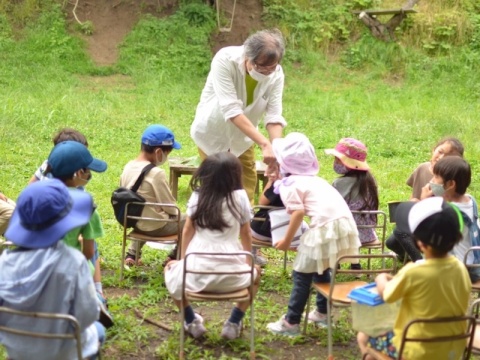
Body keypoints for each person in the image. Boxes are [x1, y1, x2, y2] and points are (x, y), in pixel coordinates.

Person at [266, 133, 360, 336]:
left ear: (284, 164)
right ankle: (322, 313)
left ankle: (291, 323)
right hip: (343, 226)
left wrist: (286, 241)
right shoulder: (315, 180)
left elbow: (298, 213)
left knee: (301, 275)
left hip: (326, 228)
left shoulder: (290, 185)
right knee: (321, 268)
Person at [0, 180, 105, 360]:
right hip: (64, 352)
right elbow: (87, 315)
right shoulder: (73, 261)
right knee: (99, 330)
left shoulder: (4, 262)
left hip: (19, 352)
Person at [357, 197, 471, 359]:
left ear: (419, 244)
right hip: (452, 349)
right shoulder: (460, 268)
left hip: (417, 350)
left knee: (363, 337)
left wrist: (381, 278)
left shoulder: (413, 272)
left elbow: (386, 294)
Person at [164, 152, 261, 340]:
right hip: (232, 273)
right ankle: (234, 322)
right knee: (256, 275)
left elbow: (187, 230)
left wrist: (182, 261)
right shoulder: (240, 197)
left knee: (169, 271)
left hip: (196, 272)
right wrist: (249, 263)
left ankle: (191, 321)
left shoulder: (198, 196)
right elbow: (246, 233)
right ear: (235, 175)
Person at [190, 28, 287, 203]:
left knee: (245, 185)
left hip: (244, 137)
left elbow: (274, 115)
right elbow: (231, 110)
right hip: (213, 132)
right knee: (214, 187)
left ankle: (245, 226)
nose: (266, 73)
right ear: (247, 57)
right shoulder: (225, 60)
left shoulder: (276, 74)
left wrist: (277, 150)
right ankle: (213, 226)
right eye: (261, 67)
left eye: (271, 69)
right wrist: (264, 143)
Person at [44, 141, 109, 310]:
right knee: (98, 330)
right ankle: (97, 299)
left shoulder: (38, 198)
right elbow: (89, 252)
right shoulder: (87, 207)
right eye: (88, 171)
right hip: (73, 275)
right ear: (78, 173)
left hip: (40, 272)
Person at [386, 137, 464, 262]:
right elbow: (414, 197)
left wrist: (423, 202)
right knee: (391, 242)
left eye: (448, 156)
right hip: (420, 219)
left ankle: (421, 261)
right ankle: (408, 256)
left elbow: (447, 210)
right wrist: (413, 203)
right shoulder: (422, 168)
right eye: (440, 151)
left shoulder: (450, 181)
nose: (441, 157)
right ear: (434, 149)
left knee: (399, 232)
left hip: (437, 227)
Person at [120, 124, 185, 266]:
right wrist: (169, 212)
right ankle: (175, 256)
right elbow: (171, 208)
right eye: (167, 153)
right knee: (192, 219)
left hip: (133, 220)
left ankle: (132, 254)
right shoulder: (156, 173)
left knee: (146, 212)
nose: (166, 157)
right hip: (156, 227)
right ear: (158, 152)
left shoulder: (128, 166)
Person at [325, 138, 379, 270]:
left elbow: (332, 208)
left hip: (344, 234)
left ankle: (335, 263)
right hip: (366, 233)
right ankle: (355, 264)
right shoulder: (370, 182)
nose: (335, 162)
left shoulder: (339, 183)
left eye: (338, 159)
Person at [427, 156, 480, 282]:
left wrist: (424, 201)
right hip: (474, 264)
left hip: (456, 268)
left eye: (436, 177)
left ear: (451, 184)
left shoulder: (446, 211)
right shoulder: (470, 200)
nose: (431, 181)